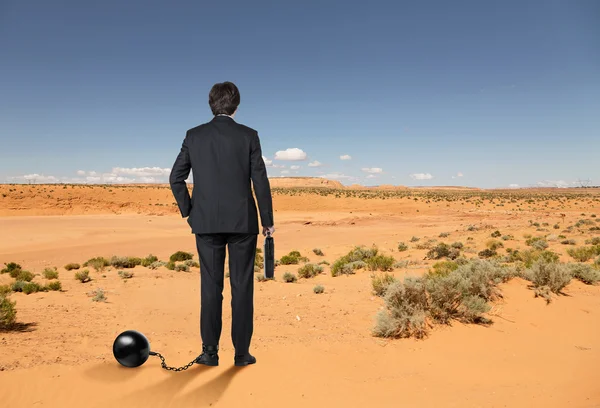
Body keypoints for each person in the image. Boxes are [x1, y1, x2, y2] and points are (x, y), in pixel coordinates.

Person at [169, 81, 275, 367]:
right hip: (243, 223)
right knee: (242, 288)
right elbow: (260, 181)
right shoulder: (249, 136)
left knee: (210, 287)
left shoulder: (194, 136)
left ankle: (210, 353)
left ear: (211, 104)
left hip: (205, 223)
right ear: (236, 105)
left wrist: (190, 212)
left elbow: (175, 178)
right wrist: (267, 221)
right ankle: (241, 354)